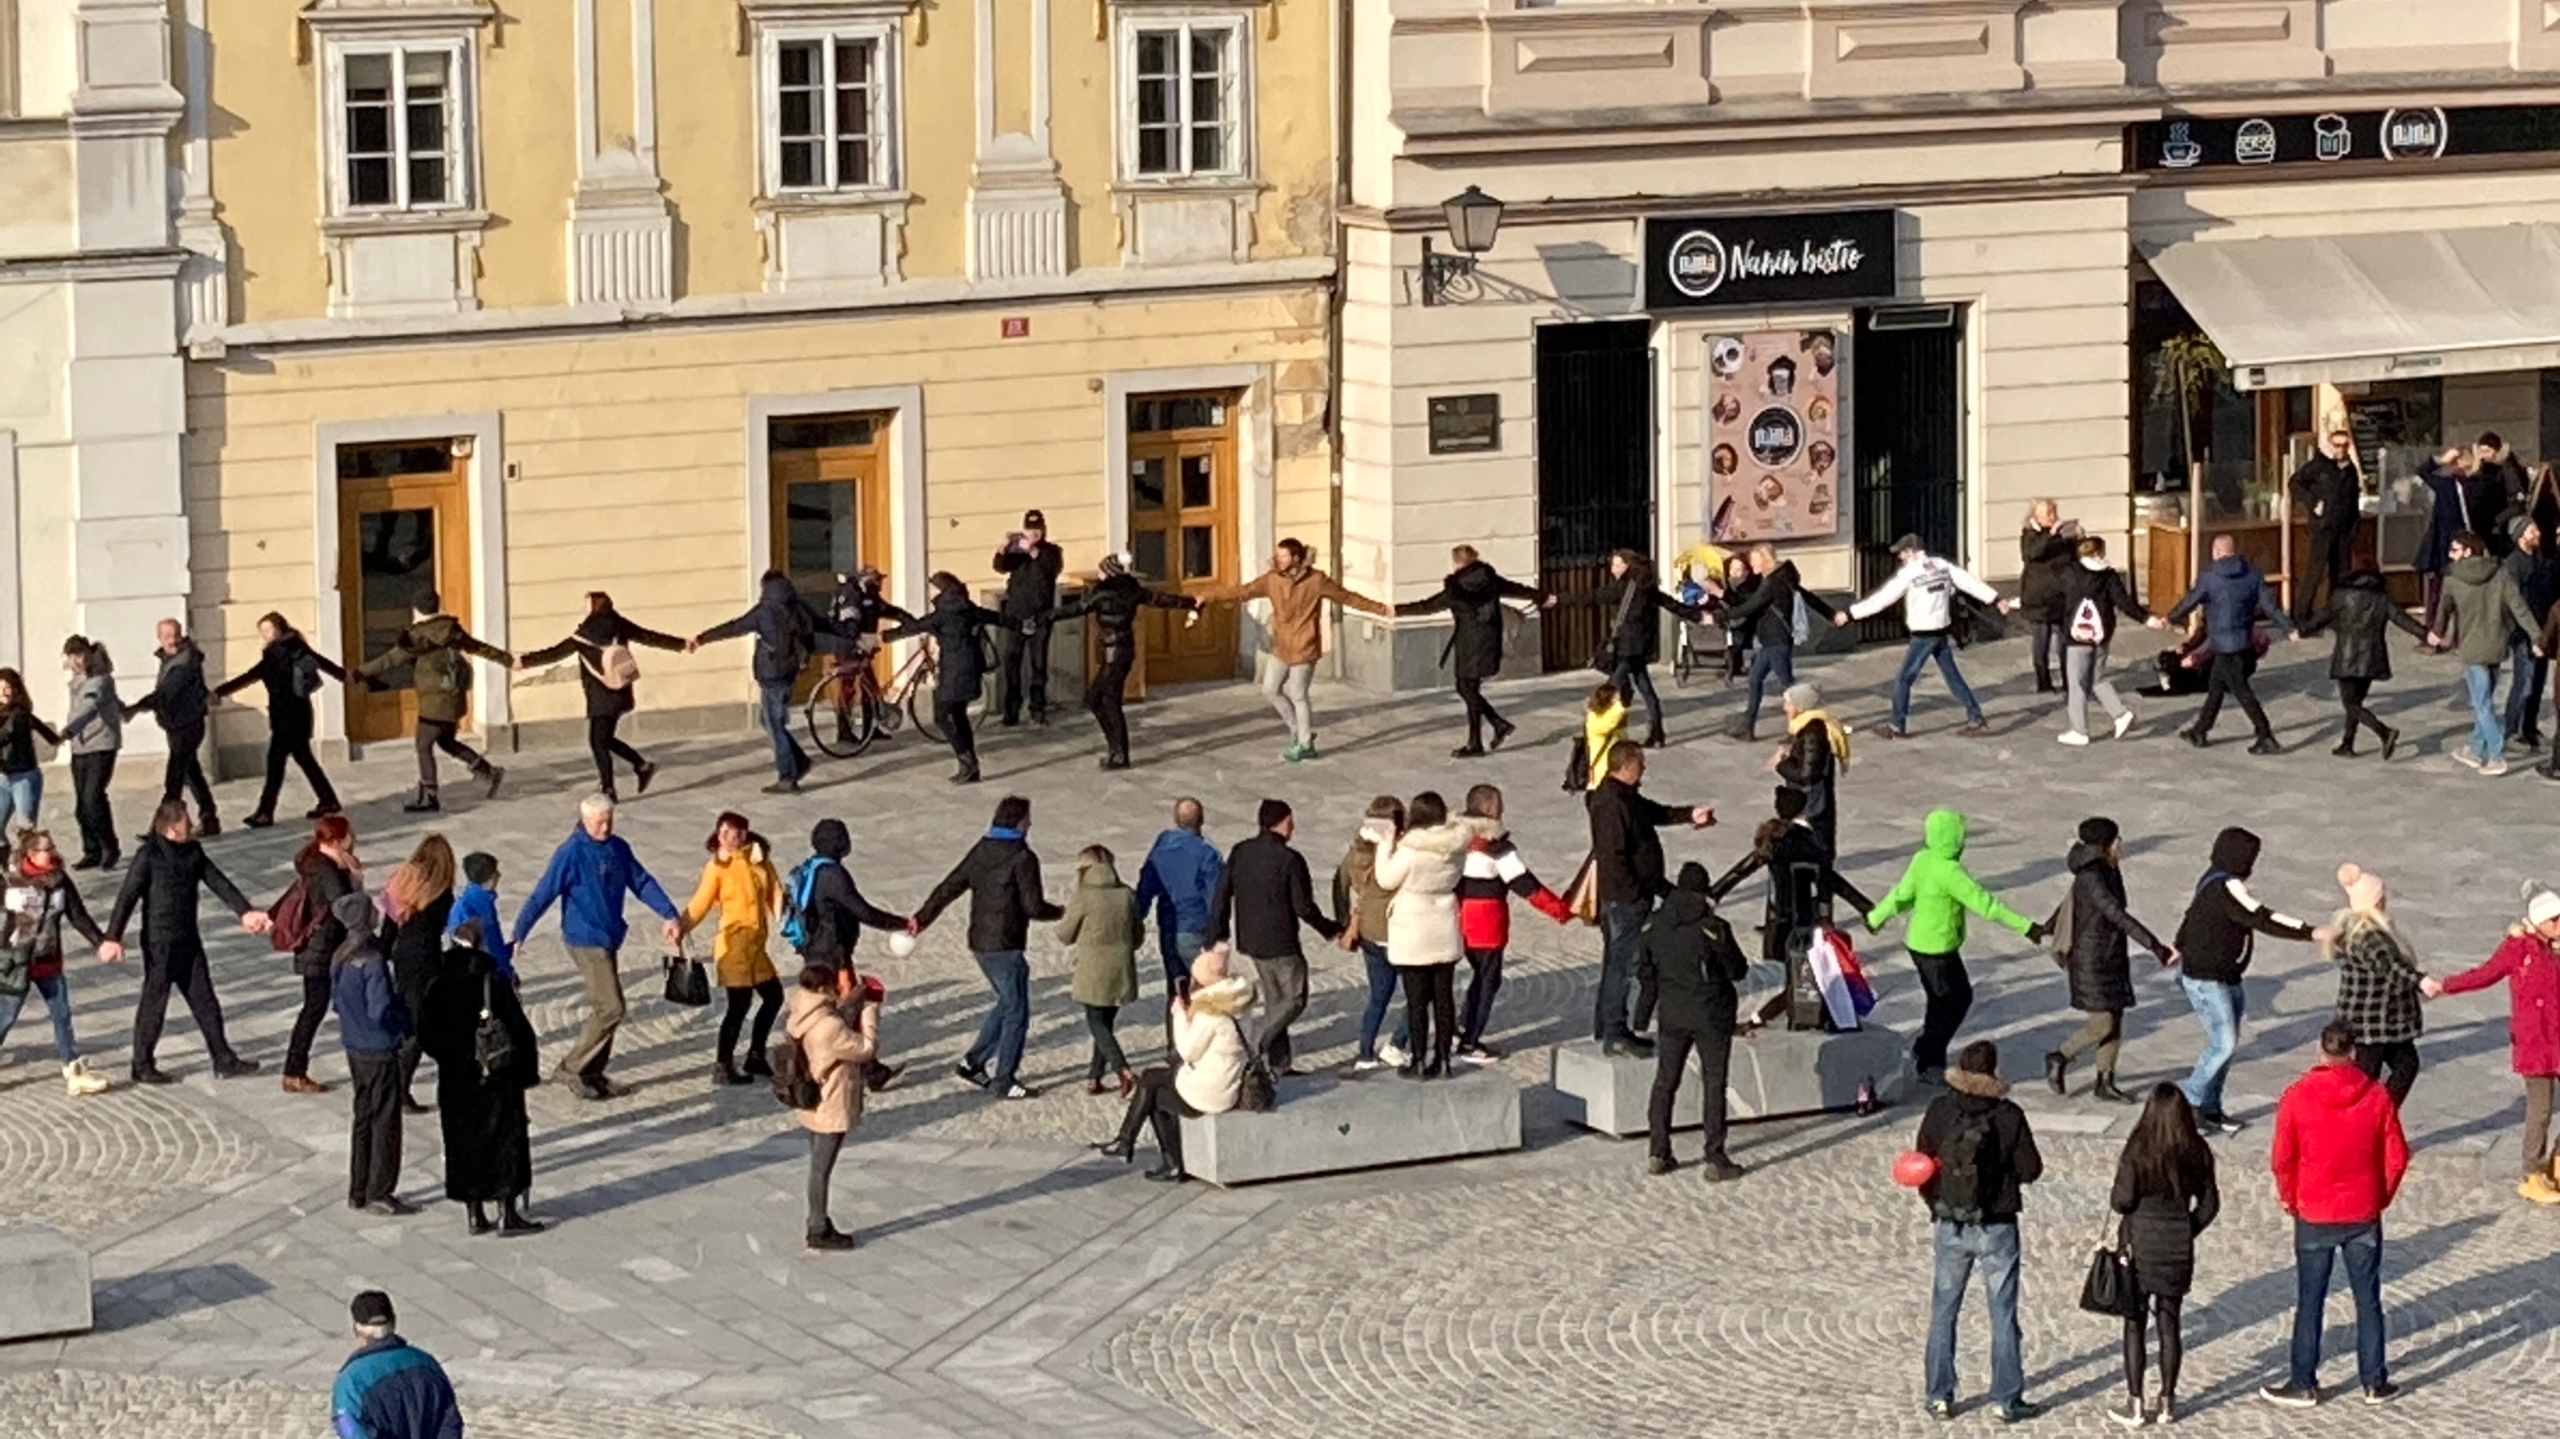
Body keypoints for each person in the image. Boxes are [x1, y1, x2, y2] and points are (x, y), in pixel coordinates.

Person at [2262, 1020, 2409, 1410]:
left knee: (2310, 1299)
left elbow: (2283, 1158)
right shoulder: (2376, 1096)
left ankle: (2303, 1380)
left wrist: (2289, 1197)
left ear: (2320, 1051)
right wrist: (2381, 1197)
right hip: (2362, 1210)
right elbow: (2396, 1157)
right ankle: (2374, 1381)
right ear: (2354, 1052)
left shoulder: (2297, 1096)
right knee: (2368, 1299)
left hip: (2314, 1210)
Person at [510, 793, 682, 1100]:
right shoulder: (571, 853)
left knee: (607, 1007)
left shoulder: (618, 848)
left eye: (609, 821)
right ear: (585, 821)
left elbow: (641, 881)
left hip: (609, 936)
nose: (605, 828)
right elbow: (543, 893)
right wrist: (521, 930)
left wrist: (669, 913)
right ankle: (572, 1068)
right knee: (612, 1006)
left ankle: (593, 1071)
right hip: (584, 939)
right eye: (599, 823)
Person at [1913, 1039, 2046, 1424]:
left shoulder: (1940, 1110)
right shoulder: (2008, 1115)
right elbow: (2031, 1169)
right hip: (1998, 1227)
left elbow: (1921, 1165)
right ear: (1993, 1072)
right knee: (2003, 1314)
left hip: (1951, 1224)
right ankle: (2007, 1399)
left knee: (1943, 1311)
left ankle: (1939, 1395)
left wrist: (1936, 1203)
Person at [2169, 827, 2324, 1134]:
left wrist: (2179, 943)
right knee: (2223, 1045)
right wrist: (2311, 932)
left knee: (2224, 1046)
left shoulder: (2211, 878)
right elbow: (2262, 917)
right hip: (2207, 978)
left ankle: (2211, 1109)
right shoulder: (2227, 887)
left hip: (2225, 976)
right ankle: (2191, 1105)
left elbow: (2192, 914)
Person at [1868, 808, 2042, 1081]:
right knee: (1945, 1004)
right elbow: (1986, 905)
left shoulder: (1922, 859)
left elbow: (1902, 895)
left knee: (1953, 999)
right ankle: (1929, 1062)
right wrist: (2026, 926)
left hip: (1923, 944)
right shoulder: (1951, 873)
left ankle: (1926, 1048)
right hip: (1936, 949)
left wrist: (1876, 917)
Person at [105, 800, 268, 1082]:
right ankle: (142, 1064)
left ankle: (223, 1058)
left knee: (205, 1000)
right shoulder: (148, 856)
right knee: (154, 1002)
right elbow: (126, 898)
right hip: (159, 943)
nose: (191, 826)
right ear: (170, 830)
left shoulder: (193, 852)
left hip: (188, 939)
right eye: (186, 822)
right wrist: (112, 937)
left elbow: (218, 882)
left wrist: (244, 910)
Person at [915, 794, 1062, 1100]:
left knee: (1007, 1001)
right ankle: (1005, 1079)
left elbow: (949, 886)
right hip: (1006, 944)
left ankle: (973, 1062)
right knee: (1016, 1011)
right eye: (1028, 819)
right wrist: (1063, 912)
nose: (1031, 823)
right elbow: (1033, 907)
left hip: (980, 942)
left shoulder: (982, 849)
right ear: (1020, 822)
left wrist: (922, 918)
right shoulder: (1023, 857)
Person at [1196, 537, 1391, 762]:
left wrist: (1380, 609)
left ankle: (1305, 744)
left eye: (1283, 556)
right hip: (1282, 645)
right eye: (1277, 555)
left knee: (1298, 693)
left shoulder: (1316, 580)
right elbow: (1244, 591)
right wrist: (1209, 596)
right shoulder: (1272, 579)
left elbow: (1347, 597)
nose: (1278, 559)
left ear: (1296, 558)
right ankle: (1297, 730)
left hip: (1304, 646)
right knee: (1270, 689)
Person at [2425, 887, 2560, 1203]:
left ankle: (2556, 1161)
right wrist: (2446, 986)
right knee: (2540, 1112)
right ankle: (2533, 1173)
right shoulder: (2519, 950)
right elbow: (2485, 975)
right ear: (2540, 922)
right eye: (2555, 920)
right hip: (2535, 1043)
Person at [1585, 743, 1715, 1057]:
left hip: (1633, 895)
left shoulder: (1625, 796)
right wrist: (1637, 892)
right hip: (1625, 900)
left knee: (1616, 964)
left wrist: (1688, 814)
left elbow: (1653, 811)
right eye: (1641, 763)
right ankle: (1614, 1031)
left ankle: (1608, 1026)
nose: (1645, 769)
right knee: (1621, 966)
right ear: (1626, 766)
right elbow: (1615, 857)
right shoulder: (1611, 803)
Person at [1708, 787, 1876, 1028]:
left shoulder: (1773, 839)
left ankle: (1770, 1016)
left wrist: (1714, 894)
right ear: (1805, 810)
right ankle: (1768, 1017)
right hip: (1805, 924)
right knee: (1801, 976)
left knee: (1793, 976)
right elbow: (1833, 882)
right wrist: (1864, 906)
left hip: (1778, 923)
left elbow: (1741, 869)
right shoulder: (1813, 844)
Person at [418, 918, 541, 1236]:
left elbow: (427, 1035)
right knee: (503, 1141)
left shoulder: (438, 984)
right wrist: (526, 1074)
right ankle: (507, 1213)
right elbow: (519, 1032)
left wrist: (452, 1059)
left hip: (455, 1082)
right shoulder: (493, 984)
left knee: (463, 1145)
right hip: (495, 1081)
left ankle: (474, 1213)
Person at [2108, 1083, 2221, 1427]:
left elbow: (2122, 1201)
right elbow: (2210, 1203)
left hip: (2139, 1243)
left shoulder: (2138, 1149)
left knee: (2134, 1324)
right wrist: (2187, 1228)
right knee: (2169, 1323)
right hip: (2176, 1245)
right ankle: (2168, 1401)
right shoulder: (2196, 1149)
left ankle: (2136, 1403)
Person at [1204, 798, 1341, 1074]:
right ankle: (1254, 1045)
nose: (1294, 827)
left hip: (1251, 940)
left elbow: (1222, 894)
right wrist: (1329, 928)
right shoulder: (1289, 859)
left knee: (1275, 1001)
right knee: (1293, 1000)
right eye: (1291, 821)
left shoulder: (1241, 852)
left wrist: (1217, 932)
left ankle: (1279, 1064)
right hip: (1281, 942)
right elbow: (1303, 907)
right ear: (1282, 822)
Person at [1096, 945, 1255, 1183]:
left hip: (1209, 1092)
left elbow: (1187, 1052)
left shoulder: (1211, 1014)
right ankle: (1127, 1142)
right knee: (1151, 1080)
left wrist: (1180, 1015)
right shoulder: (1237, 1005)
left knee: (1153, 1095)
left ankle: (1154, 1155)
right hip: (1227, 1083)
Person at [2043, 817, 2173, 1104]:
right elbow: (2115, 913)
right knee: (2102, 1022)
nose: (2122, 844)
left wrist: (2047, 926)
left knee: (2115, 1020)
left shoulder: (2106, 869)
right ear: (2106, 844)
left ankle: (2105, 1080)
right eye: (2118, 839)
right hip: (2092, 959)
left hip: (2109, 954)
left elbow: (2069, 903)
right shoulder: (2092, 876)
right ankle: (2060, 1055)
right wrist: (2156, 947)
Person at [514, 591, 688, 801]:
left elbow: (555, 653)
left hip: (600, 695)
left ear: (595, 607)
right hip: (621, 690)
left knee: (598, 742)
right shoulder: (619, 624)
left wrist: (525, 661)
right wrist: (681, 644)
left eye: (586, 605)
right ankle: (641, 766)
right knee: (604, 739)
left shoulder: (584, 635)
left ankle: (609, 788)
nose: (582, 609)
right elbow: (649, 637)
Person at [1639, 861, 1751, 1181]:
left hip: (1672, 1014)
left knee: (1665, 1082)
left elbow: (1645, 972)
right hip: (1711, 1015)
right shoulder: (1712, 928)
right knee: (1714, 1083)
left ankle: (1658, 1151)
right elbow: (1737, 970)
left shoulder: (1653, 925)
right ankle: (1715, 1157)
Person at [1374, 791, 1495, 1080]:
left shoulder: (1412, 849)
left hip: (1414, 926)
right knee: (1444, 999)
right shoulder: (1457, 844)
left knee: (1417, 1001)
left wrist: (1385, 845)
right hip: (1443, 922)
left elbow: (1386, 879)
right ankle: (1443, 1060)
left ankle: (1417, 1058)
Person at [1837, 534, 2007, 739]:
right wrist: (1995, 599)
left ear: (1912, 551)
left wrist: (1850, 614)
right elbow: (1969, 583)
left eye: (1902, 552)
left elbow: (1882, 599)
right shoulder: (1942, 566)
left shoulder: (1909, 574)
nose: (1900, 557)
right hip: (1940, 629)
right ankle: (1976, 718)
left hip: (1923, 634)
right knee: (1953, 677)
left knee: (1903, 679)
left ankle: (1896, 726)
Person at [355, 592, 510, 813]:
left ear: (417, 610)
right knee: (445, 741)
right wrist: (508, 659)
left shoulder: (418, 637)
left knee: (423, 745)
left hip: (433, 702)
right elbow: (478, 647)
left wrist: (358, 673)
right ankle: (488, 771)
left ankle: (430, 796)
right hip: (454, 697)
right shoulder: (451, 629)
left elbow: (389, 660)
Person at [690, 570, 840, 793]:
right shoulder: (797, 606)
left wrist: (703, 638)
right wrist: (848, 633)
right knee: (769, 721)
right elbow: (818, 624)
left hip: (772, 676)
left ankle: (788, 777)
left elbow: (735, 627)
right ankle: (799, 761)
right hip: (790, 673)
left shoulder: (765, 611)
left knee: (775, 726)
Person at [787, 818, 908, 1093]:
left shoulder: (811, 867)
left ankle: (870, 1070)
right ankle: (869, 1071)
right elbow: (862, 911)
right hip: (833, 955)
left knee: (830, 1010)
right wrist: (900, 923)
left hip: (814, 951)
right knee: (847, 1009)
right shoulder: (833, 874)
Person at [1393, 544, 1549, 756]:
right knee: (1469, 689)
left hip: (1469, 644)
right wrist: (1541, 596)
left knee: (1465, 689)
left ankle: (1492, 728)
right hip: (1488, 641)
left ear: (1456, 563)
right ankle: (1482, 737)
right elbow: (1516, 589)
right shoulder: (1490, 579)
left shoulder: (1455, 589)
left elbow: (1428, 606)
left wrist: (1397, 610)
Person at [1453, 784, 1570, 1061]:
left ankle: (1461, 1027)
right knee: (1487, 981)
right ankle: (1470, 1041)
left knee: (1478, 977)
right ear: (1490, 809)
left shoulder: (1455, 841)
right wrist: (1561, 910)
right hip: (1486, 924)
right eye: (1499, 804)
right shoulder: (1498, 849)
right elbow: (1527, 886)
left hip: (1458, 919)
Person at [1052, 552, 1197, 768]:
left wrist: (1041, 618)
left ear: (1108, 573)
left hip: (1115, 653)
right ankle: (1115, 749)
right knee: (1096, 699)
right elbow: (1162, 600)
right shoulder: (1133, 590)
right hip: (1123, 651)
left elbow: (1073, 609)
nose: (1099, 574)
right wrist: (1190, 602)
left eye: (1102, 570)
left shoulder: (1101, 594)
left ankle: (1119, 754)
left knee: (1108, 701)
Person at [676, 812, 784, 1088]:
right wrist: (682, 924)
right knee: (739, 1006)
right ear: (718, 834)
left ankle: (755, 1055)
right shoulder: (717, 868)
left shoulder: (758, 859)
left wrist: (790, 920)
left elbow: (775, 893)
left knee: (773, 997)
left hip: (756, 947)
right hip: (733, 946)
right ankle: (723, 1065)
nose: (730, 839)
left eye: (736, 834)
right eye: (725, 833)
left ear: (745, 835)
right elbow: (701, 902)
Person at [2161, 533, 2296, 754]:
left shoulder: (2209, 578)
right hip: (2243, 641)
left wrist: (2170, 618)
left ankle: (2266, 735)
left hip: (2222, 644)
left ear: (2216, 552)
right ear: (2234, 551)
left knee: (2242, 692)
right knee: (2216, 686)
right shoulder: (2253, 576)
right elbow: (2271, 608)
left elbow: (2190, 602)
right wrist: (2289, 627)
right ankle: (2200, 730)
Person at [0, 828, 110, 1095]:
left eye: (52, 848)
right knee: (6, 1016)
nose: (52, 853)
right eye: (46, 850)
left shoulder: (60, 880)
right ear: (31, 854)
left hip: (49, 959)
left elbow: (77, 914)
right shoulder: (13, 880)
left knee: (62, 1014)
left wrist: (101, 940)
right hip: (18, 963)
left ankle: (73, 1068)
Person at [213, 612, 346, 827]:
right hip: (300, 714)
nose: (264, 635)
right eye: (262, 631)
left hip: (287, 718)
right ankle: (328, 800)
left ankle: (266, 812)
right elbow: (323, 663)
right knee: (303, 759)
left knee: (276, 764)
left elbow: (250, 675)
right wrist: (348, 677)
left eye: (267, 630)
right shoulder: (296, 648)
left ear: (278, 629)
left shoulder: (276, 654)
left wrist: (219, 692)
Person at [784, 960, 881, 1250]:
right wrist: (870, 1011)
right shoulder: (828, 1026)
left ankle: (818, 1223)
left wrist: (850, 1001)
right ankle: (817, 1226)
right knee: (820, 1167)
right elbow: (865, 1049)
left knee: (817, 1163)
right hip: (831, 1099)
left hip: (812, 1097)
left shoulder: (802, 1014)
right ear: (825, 987)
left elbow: (833, 1016)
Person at [331, 890, 413, 1215]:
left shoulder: (340, 956)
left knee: (363, 1118)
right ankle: (380, 1190)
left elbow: (335, 1003)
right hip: (378, 1048)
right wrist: (400, 1026)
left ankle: (358, 1188)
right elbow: (380, 1008)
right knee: (386, 1122)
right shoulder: (373, 962)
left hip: (354, 1048)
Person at [880, 571, 1002, 784]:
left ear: (941, 590)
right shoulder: (967, 608)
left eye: (932, 588)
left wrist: (884, 637)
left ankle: (967, 761)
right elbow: (996, 617)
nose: (930, 592)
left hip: (954, 673)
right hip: (970, 670)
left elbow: (915, 626)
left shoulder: (943, 614)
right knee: (959, 716)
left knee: (942, 717)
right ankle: (970, 767)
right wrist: (1022, 624)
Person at [2296, 566, 2427, 759]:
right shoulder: (2381, 598)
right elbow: (2402, 619)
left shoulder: (2342, 595)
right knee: (2356, 702)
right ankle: (2347, 744)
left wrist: (2302, 630)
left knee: (2351, 704)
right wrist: (2425, 634)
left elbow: (2323, 616)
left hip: (2348, 657)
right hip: (2372, 658)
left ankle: (2384, 731)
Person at [1715, 543, 1838, 743]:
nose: (1752, 565)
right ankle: (1748, 726)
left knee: (1790, 687)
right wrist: (1830, 613)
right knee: (1755, 679)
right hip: (1770, 641)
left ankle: (1801, 729)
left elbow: (1750, 607)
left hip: (1777, 641)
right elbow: (1809, 597)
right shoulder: (1779, 578)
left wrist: (1721, 616)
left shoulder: (1772, 583)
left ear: (1765, 560)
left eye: (1754, 561)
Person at [2439, 528, 2539, 776]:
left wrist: (2435, 633)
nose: (2450, 554)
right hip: (2496, 646)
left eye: (2454, 549)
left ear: (2467, 551)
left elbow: (2443, 610)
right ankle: (2474, 749)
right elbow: (2520, 608)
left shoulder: (2452, 579)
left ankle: (2496, 754)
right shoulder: (2501, 574)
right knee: (2485, 701)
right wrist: (2537, 636)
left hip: (2473, 650)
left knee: (2482, 704)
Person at [2327, 863, 2427, 1108]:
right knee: (2365, 1077)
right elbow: (2391, 967)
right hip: (2371, 1024)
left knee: (2406, 1064)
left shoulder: (2357, 929)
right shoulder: (2370, 936)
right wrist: (2421, 981)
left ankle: (2379, 1118)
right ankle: (2362, 1124)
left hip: (2385, 1022)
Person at [1584, 549, 1703, 748]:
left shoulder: (1624, 587)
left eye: (1616, 564)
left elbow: (1592, 597)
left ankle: (1599, 731)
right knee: (1646, 689)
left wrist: (1557, 599)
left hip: (1627, 649)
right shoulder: (1646, 587)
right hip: (1639, 647)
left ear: (1627, 566)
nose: (1612, 569)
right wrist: (1697, 616)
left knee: (1610, 688)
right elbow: (1670, 603)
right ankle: (1657, 733)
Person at [281, 816, 361, 1095]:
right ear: (338, 840)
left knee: (316, 1008)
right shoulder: (328, 871)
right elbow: (346, 908)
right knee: (314, 1009)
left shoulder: (317, 861)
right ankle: (294, 1071)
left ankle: (295, 1069)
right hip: (322, 950)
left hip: (319, 949)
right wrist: (354, 879)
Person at [123, 618, 218, 836]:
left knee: (174, 780)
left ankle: (160, 829)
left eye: (175, 635)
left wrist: (135, 708)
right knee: (192, 774)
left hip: (187, 725)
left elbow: (165, 694)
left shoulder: (184, 661)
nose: (172, 640)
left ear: (181, 634)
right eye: (167, 636)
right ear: (159, 638)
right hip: (179, 725)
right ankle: (209, 818)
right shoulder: (172, 658)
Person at [382, 835, 457, 1114]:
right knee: (419, 1026)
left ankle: (398, 1084)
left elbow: (389, 927)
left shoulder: (400, 881)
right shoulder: (440, 892)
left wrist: (383, 953)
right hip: (425, 959)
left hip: (403, 955)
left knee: (411, 1017)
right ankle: (399, 1088)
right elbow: (441, 931)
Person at [1333, 796, 1407, 1074]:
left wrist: (1342, 923)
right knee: (1417, 994)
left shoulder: (1354, 853)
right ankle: (1397, 1044)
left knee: (1378, 995)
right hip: (1396, 930)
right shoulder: (1398, 852)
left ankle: (1365, 1052)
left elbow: (1338, 882)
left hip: (1367, 931)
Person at [2051, 536, 2148, 745]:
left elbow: (2054, 598)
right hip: (2101, 634)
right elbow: (2124, 603)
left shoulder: (2070, 573)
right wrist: (2146, 617)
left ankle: (2079, 730)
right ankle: (2120, 714)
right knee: (2096, 677)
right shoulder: (2109, 576)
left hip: (2077, 636)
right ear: (2100, 553)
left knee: (2076, 683)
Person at [1060, 843, 1140, 1096]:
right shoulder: (1127, 893)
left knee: (1096, 1022)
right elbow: (1137, 935)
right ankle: (1094, 1078)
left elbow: (1065, 935)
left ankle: (1122, 1069)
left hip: (1093, 968)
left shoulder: (1085, 895)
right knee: (1105, 1023)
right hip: (1121, 967)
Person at [332, 1290, 463, 1439]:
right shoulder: (428, 1364)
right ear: (393, 1322)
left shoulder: (351, 1381)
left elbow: (351, 1430)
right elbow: (449, 1423)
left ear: (356, 1329)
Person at [1134, 798, 1222, 999]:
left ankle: (1176, 1028)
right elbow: (1216, 895)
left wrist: (1137, 915)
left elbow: (1146, 887)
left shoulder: (1161, 849)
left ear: (1175, 819)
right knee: (1205, 988)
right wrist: (1217, 930)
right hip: (1195, 926)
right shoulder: (1207, 854)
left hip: (1169, 928)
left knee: (1176, 988)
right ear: (1201, 820)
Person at [991, 509, 1066, 727]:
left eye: (1037, 531)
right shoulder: (1017, 551)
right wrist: (1003, 549)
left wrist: (1035, 553)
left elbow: (1051, 572)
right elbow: (1000, 567)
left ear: (1043, 531)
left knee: (1038, 664)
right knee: (1011, 661)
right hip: (1016, 614)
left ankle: (1037, 708)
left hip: (1041, 615)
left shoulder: (1051, 552)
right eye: (1029, 530)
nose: (1033, 534)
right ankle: (1011, 710)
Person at [2288, 429, 2363, 627]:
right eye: (2337, 445)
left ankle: (2336, 613)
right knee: (2315, 572)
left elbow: (2354, 499)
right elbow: (2295, 483)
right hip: (2322, 528)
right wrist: (2313, 502)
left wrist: (2355, 525)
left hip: (2344, 529)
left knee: (2341, 573)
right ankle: (2301, 615)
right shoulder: (2318, 466)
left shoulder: (2350, 470)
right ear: (2331, 445)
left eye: (2345, 445)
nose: (2341, 449)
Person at [60, 636, 122, 870]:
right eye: (72, 656)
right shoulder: (77, 681)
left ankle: (110, 847)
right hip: (80, 747)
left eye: (79, 655)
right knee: (81, 804)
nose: (76, 660)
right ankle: (92, 850)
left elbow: (89, 707)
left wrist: (67, 731)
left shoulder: (100, 680)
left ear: (89, 654)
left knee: (92, 798)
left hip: (102, 745)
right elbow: (113, 704)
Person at [1772, 681, 1848, 853]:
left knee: (1817, 850)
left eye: (1788, 703)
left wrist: (1781, 765)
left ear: (1800, 706)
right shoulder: (1805, 728)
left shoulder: (1812, 734)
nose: (1784, 707)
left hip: (1811, 805)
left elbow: (1807, 774)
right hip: (1809, 802)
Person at [2502, 518, 2558, 750]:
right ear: (2521, 535)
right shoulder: (2513, 564)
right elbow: (2514, 604)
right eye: (2532, 529)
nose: (2537, 532)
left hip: (2542, 630)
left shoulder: (2538, 558)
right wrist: (2529, 634)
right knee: (2523, 682)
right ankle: (2511, 731)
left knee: (2537, 682)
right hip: (2523, 634)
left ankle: (2530, 728)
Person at [2018, 500, 2081, 692]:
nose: (2053, 517)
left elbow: (2073, 557)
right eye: (2048, 514)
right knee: (2041, 639)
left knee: (2065, 639)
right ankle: (2043, 681)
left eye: (2054, 512)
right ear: (2035, 517)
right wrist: (2050, 534)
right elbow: (2033, 553)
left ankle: (2068, 680)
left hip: (2061, 594)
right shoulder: (2029, 536)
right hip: (2039, 596)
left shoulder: (2062, 535)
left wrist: (2077, 538)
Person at [2415, 445, 2471, 635]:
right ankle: (2438, 634)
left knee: (2442, 593)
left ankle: (2438, 634)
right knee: (2441, 592)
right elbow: (2422, 472)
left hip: (2457, 547)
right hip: (2448, 547)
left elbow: (2423, 471)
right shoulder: (2449, 485)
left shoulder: (2462, 484)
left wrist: (2441, 461)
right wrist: (2440, 460)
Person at [0, 669, 57, 836]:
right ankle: (7, 861)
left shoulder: (19, 715)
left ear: (16, 690)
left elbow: (4, 736)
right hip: (3, 777)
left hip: (23, 777)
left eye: (7, 688)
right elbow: (51, 735)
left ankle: (31, 861)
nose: (3, 692)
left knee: (26, 829)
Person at [445, 851, 514, 986]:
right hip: (481, 980)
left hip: (496, 973)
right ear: (488, 878)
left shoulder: (486, 900)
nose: (499, 875)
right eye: (495, 872)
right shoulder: (465, 909)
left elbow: (495, 942)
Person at [1578, 682, 1627, 792]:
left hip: (1612, 771)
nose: (1619, 701)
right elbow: (1612, 720)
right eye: (1616, 699)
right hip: (1603, 775)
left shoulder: (1604, 717)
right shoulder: (1596, 720)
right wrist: (1619, 706)